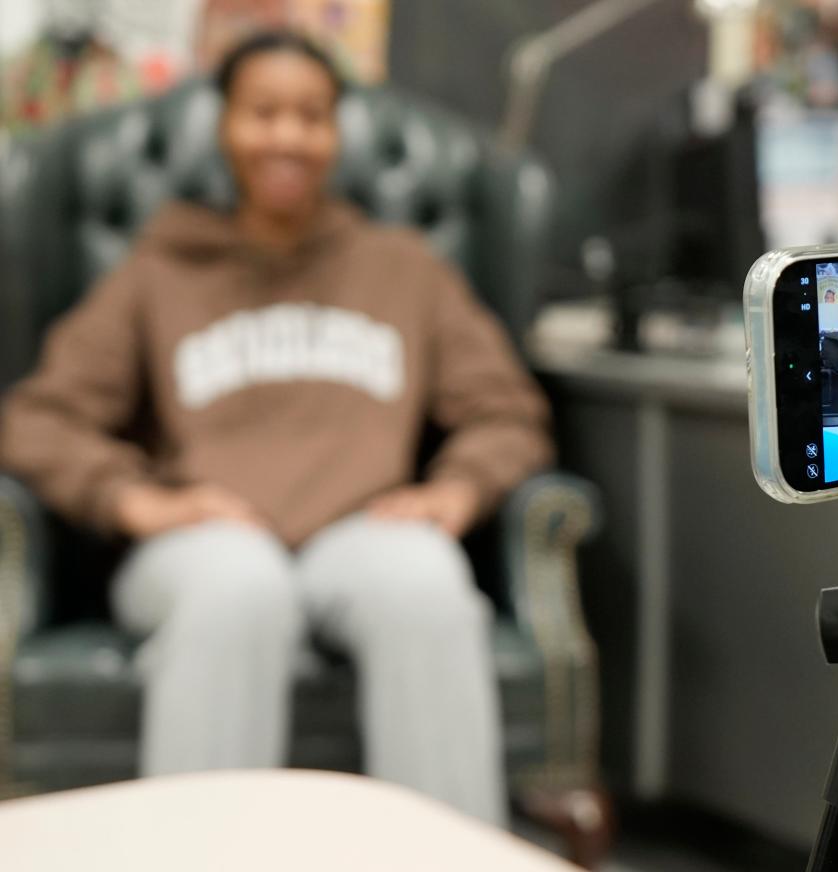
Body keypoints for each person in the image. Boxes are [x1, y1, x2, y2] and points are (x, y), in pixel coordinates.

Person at [0, 31, 552, 827]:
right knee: (239, 587)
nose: (287, 136)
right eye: (264, 113)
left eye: (311, 116)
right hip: (207, 538)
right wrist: (134, 502)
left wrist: (459, 488)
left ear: (336, 133)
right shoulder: (159, 272)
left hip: (363, 528)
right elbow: (39, 418)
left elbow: (505, 409)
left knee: (426, 582)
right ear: (224, 125)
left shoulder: (402, 267)